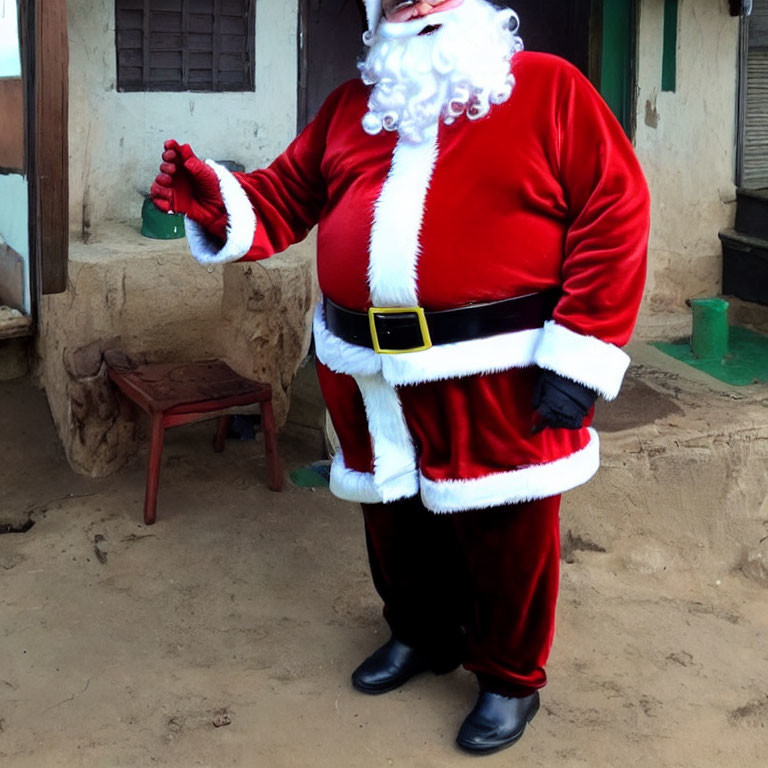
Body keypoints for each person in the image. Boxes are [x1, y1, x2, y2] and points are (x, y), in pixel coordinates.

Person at [151, 0, 649, 755]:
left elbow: (615, 212)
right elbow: (285, 198)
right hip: (367, 372)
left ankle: (509, 678)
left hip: (495, 368)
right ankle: (419, 636)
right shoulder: (353, 107)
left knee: (504, 530)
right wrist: (217, 199)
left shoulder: (548, 89)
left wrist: (581, 351)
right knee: (392, 517)